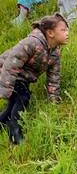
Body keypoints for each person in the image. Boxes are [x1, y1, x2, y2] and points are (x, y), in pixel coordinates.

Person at [0, 13, 69, 144]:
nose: (67, 33)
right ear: (50, 33)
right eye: (63, 30)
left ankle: (2, 123)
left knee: (12, 106)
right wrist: (3, 90)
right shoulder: (32, 42)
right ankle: (14, 130)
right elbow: (12, 63)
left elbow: (54, 78)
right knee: (22, 97)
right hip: (6, 71)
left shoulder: (55, 53)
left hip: (22, 78)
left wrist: (53, 103)